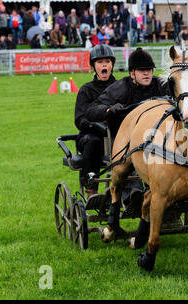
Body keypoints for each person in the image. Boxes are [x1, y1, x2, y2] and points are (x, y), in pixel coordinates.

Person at [85, 48, 170, 229]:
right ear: (132, 73)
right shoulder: (120, 87)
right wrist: (108, 110)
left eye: (149, 69)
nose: (147, 73)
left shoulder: (161, 84)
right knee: (132, 166)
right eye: (141, 70)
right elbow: (91, 110)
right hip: (125, 142)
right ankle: (134, 197)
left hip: (158, 140)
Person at [75, 44, 117, 196]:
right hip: (91, 135)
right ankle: (91, 189)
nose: (104, 64)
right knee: (93, 143)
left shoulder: (121, 86)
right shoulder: (86, 90)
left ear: (112, 64)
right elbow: (79, 119)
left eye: (107, 61)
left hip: (116, 134)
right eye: (99, 62)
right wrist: (98, 125)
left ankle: (134, 189)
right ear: (93, 67)